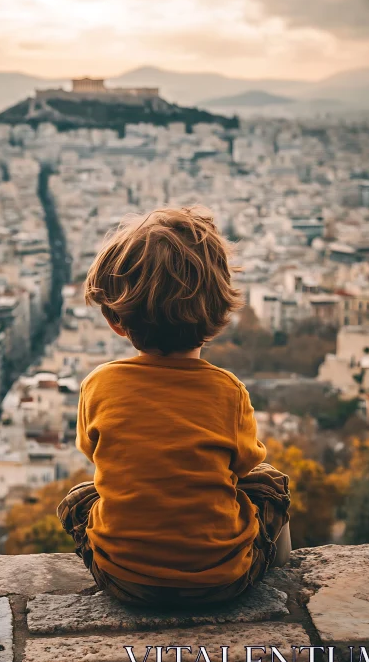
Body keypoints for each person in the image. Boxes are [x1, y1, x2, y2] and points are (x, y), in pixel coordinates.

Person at [57, 206, 291, 608]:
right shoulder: (228, 391)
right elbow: (242, 468)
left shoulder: (99, 385)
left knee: (80, 498)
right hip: (224, 580)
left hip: (123, 580)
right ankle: (277, 558)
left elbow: (95, 454)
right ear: (219, 314)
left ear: (116, 321)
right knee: (270, 481)